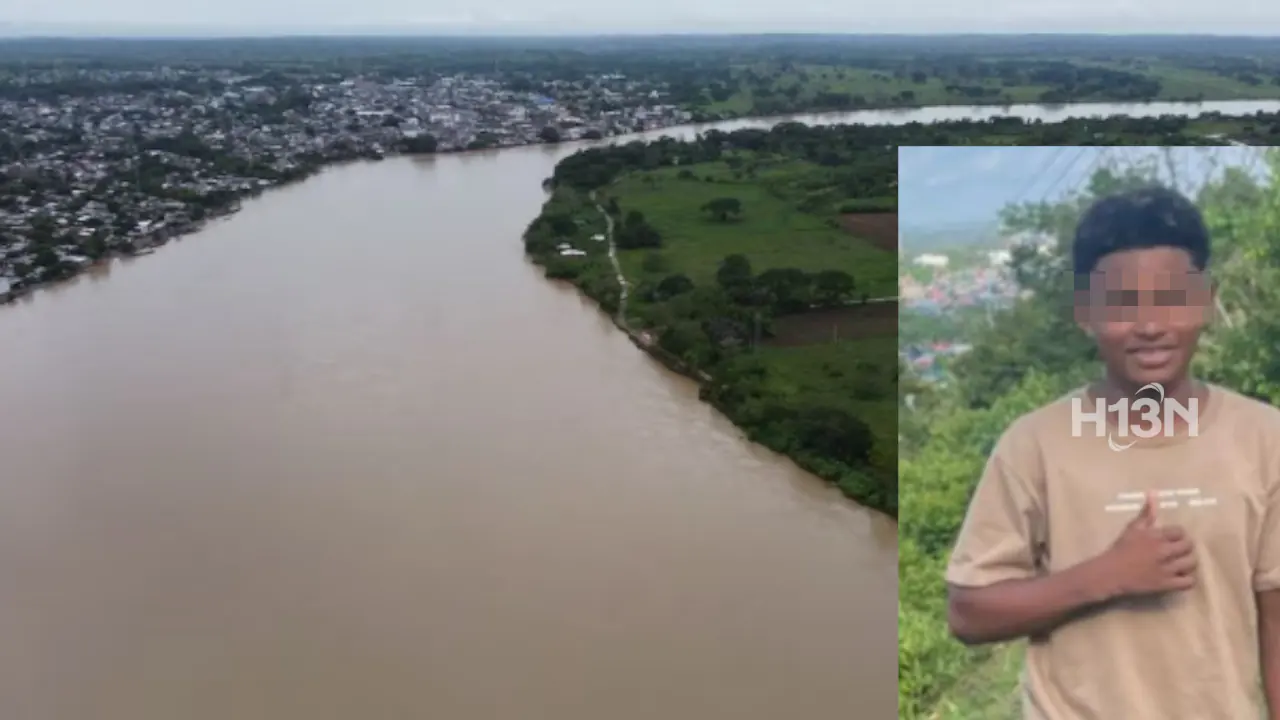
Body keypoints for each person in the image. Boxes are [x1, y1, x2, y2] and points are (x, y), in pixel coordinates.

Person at [945, 185, 1280, 719]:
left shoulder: (1265, 439)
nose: (1149, 326)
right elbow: (968, 612)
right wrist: (1107, 576)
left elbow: (1275, 619)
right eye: (1122, 304)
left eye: (1171, 298)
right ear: (1085, 312)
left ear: (1208, 300)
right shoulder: (1034, 444)